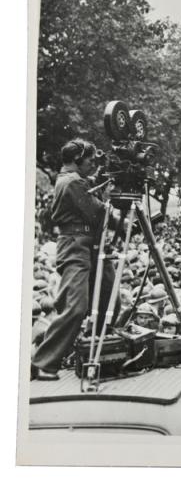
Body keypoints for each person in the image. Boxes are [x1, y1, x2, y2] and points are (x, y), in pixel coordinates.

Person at [32, 139, 119, 380]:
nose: (93, 164)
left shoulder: (73, 180)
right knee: (76, 307)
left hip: (88, 245)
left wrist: (99, 180)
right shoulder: (72, 183)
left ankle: (97, 353)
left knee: (111, 301)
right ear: (77, 159)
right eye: (90, 161)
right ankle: (44, 362)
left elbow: (89, 195)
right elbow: (98, 213)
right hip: (76, 247)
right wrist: (118, 213)